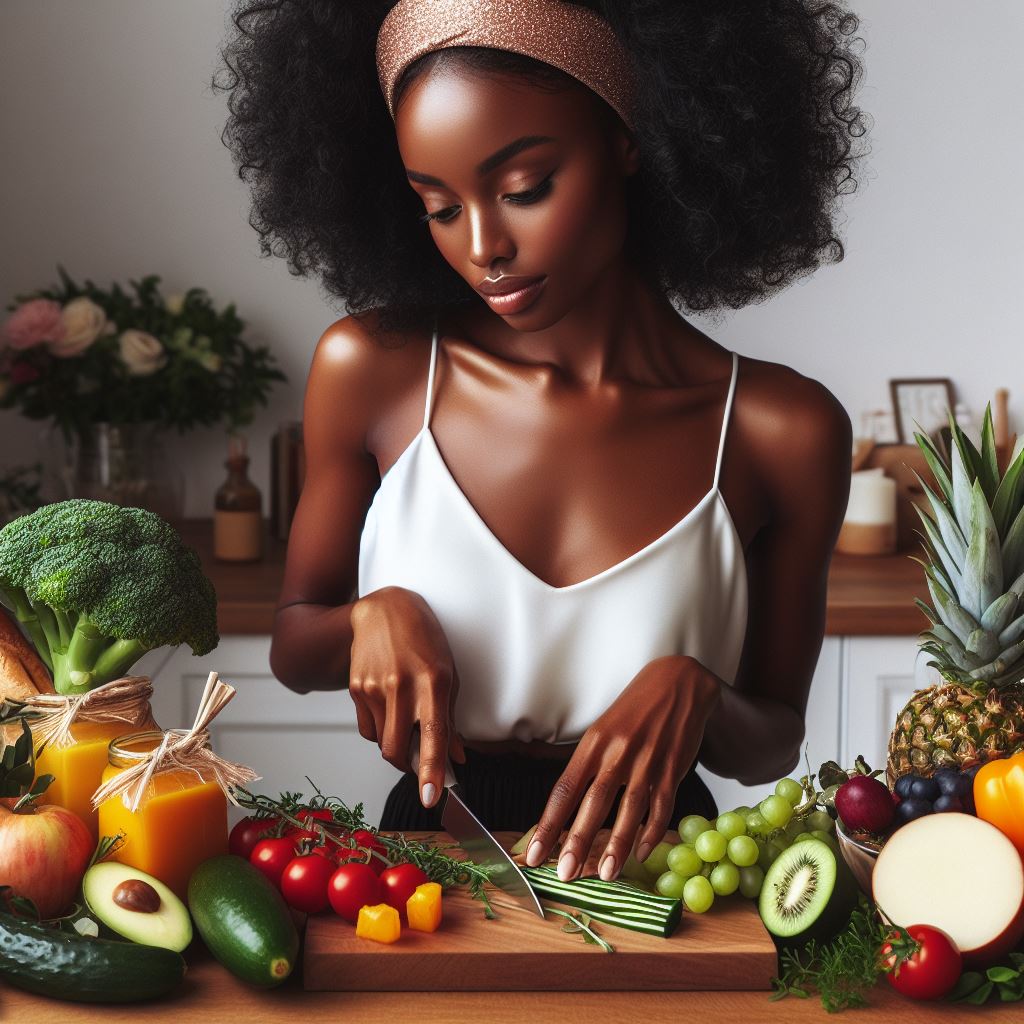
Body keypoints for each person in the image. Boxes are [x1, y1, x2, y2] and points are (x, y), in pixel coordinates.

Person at [215, 0, 866, 883]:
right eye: (439, 208)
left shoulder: (778, 429)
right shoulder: (374, 370)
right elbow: (296, 646)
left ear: (631, 137)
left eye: (524, 189)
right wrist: (371, 616)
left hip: (661, 874)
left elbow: (773, 740)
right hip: (430, 864)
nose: (485, 247)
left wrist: (700, 691)